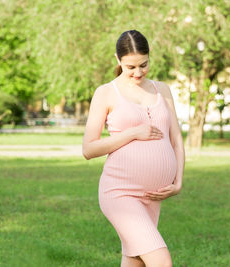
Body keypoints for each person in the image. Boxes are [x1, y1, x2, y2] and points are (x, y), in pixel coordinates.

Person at [82, 29, 185, 267]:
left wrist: (178, 182)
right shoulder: (106, 93)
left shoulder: (163, 90)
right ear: (118, 60)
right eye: (130, 67)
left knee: (135, 261)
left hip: (152, 196)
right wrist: (133, 133)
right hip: (120, 192)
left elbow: (176, 139)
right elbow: (89, 149)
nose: (138, 72)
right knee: (161, 261)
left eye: (143, 65)